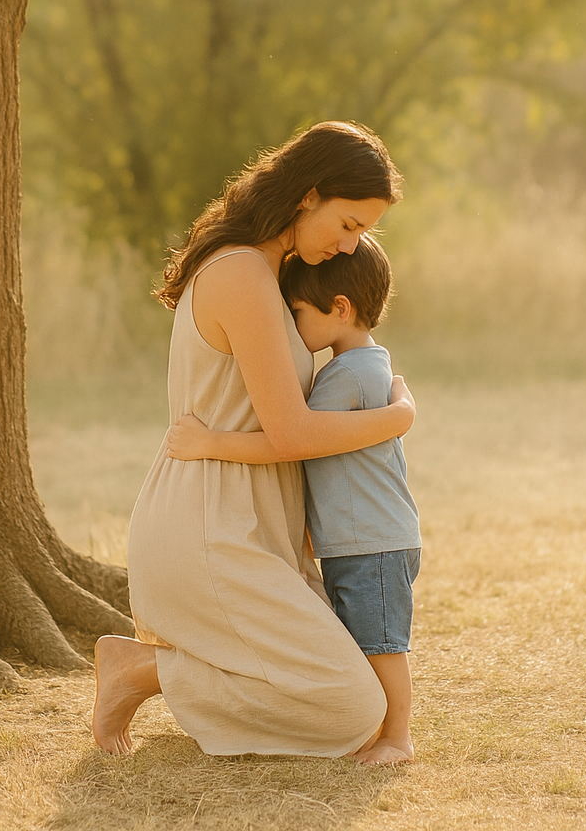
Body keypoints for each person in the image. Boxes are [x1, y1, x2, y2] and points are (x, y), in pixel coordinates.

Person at [91, 121, 415, 759]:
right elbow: (291, 431)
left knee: (363, 700)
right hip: (213, 526)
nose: (354, 246)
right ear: (308, 196)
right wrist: (397, 419)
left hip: (256, 525)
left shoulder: (271, 273)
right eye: (349, 224)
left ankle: (149, 669)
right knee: (352, 708)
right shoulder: (241, 273)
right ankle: (142, 672)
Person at [280, 236, 421, 765]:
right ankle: (373, 729)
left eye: (297, 312)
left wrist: (214, 443)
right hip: (358, 540)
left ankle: (398, 737)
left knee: (381, 645)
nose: (293, 326)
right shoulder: (361, 367)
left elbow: (298, 434)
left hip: (373, 544)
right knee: (364, 641)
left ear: (340, 308)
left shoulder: (350, 375)